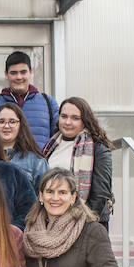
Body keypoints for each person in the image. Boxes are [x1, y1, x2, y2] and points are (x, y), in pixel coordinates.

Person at [43, 97, 113, 229]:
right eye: (64, 116)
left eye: (75, 118)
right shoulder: (51, 145)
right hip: (52, 223)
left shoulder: (98, 148)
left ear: (85, 121)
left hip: (85, 225)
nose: (68, 122)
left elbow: (100, 195)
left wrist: (80, 224)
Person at [0, 51, 59, 149]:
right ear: (6, 74)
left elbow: (58, 139)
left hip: (40, 163)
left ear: (31, 72)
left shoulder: (48, 103)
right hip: (4, 163)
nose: (19, 77)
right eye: (13, 73)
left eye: (23, 72)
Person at [0, 102, 49, 193]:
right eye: (1, 122)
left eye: (12, 122)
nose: (6, 126)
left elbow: (45, 195)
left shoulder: (36, 161)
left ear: (21, 125)